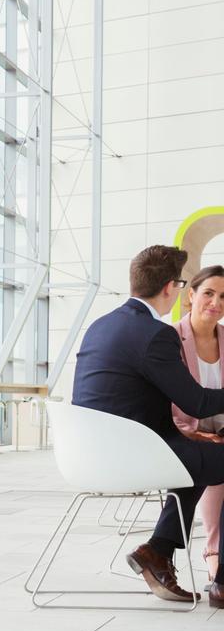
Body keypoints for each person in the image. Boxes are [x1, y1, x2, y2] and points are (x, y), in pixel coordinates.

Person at [73, 244, 224, 605]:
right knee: (212, 458)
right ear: (173, 288)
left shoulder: (102, 325)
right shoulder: (156, 334)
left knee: (200, 456)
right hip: (133, 454)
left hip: (90, 451)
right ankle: (214, 574)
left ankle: (157, 552)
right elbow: (197, 402)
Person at [172, 265, 224, 582]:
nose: (216, 302)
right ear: (191, 295)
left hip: (220, 430)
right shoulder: (170, 339)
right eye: (208, 293)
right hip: (184, 431)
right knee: (216, 460)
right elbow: (164, 400)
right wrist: (196, 433)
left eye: (223, 296)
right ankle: (215, 554)